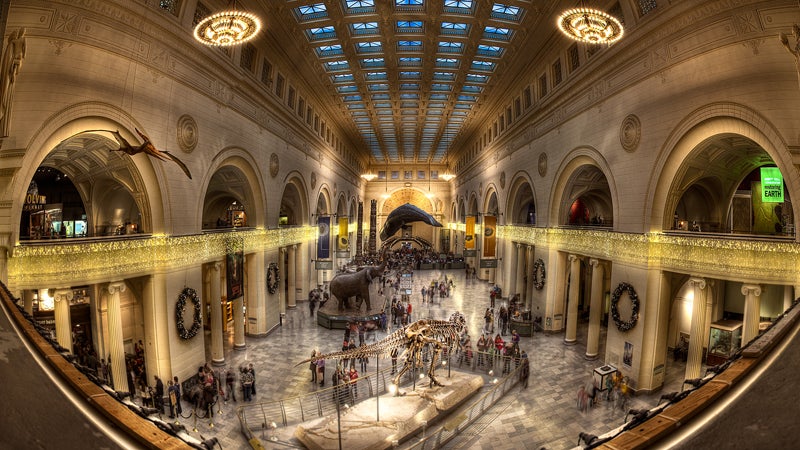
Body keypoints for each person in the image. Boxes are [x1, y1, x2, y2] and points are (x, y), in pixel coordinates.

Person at [0, 27, 25, 137]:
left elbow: (20, 56)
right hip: (9, 74)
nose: (17, 35)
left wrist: (16, 64)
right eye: (14, 34)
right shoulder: (11, 46)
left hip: (11, 73)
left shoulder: (15, 45)